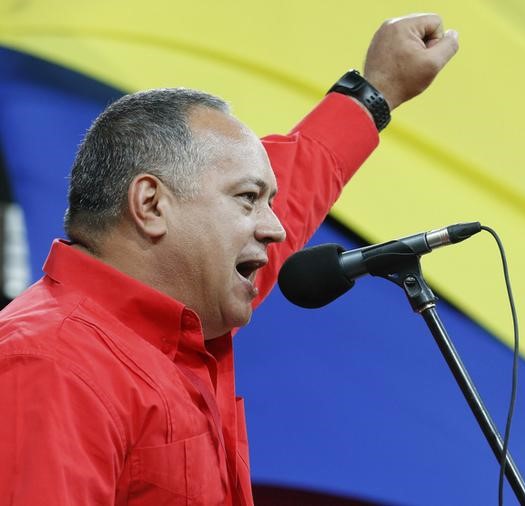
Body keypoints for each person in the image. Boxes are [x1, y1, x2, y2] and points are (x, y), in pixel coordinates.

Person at [0, 13, 458, 506]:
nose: (275, 226)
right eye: (247, 198)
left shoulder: (183, 317)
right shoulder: (51, 365)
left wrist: (378, 90)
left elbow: (297, 186)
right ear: (152, 205)